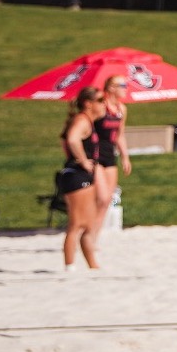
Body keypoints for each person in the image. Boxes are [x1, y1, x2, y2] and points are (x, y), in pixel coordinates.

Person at [57, 86, 107, 271]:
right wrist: (83, 160)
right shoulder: (82, 120)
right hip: (76, 176)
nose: (104, 105)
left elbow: (65, 140)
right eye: (101, 100)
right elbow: (71, 139)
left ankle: (93, 266)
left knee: (88, 225)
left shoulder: (87, 121)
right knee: (77, 224)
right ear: (88, 103)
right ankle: (69, 266)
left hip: (82, 175)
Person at [94, 75, 131, 224]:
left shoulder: (121, 109)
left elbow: (119, 135)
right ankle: (90, 228)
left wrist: (125, 157)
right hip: (95, 154)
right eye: (122, 85)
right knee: (101, 196)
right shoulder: (101, 107)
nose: (126, 89)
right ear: (111, 88)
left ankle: (97, 230)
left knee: (108, 197)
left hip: (109, 154)